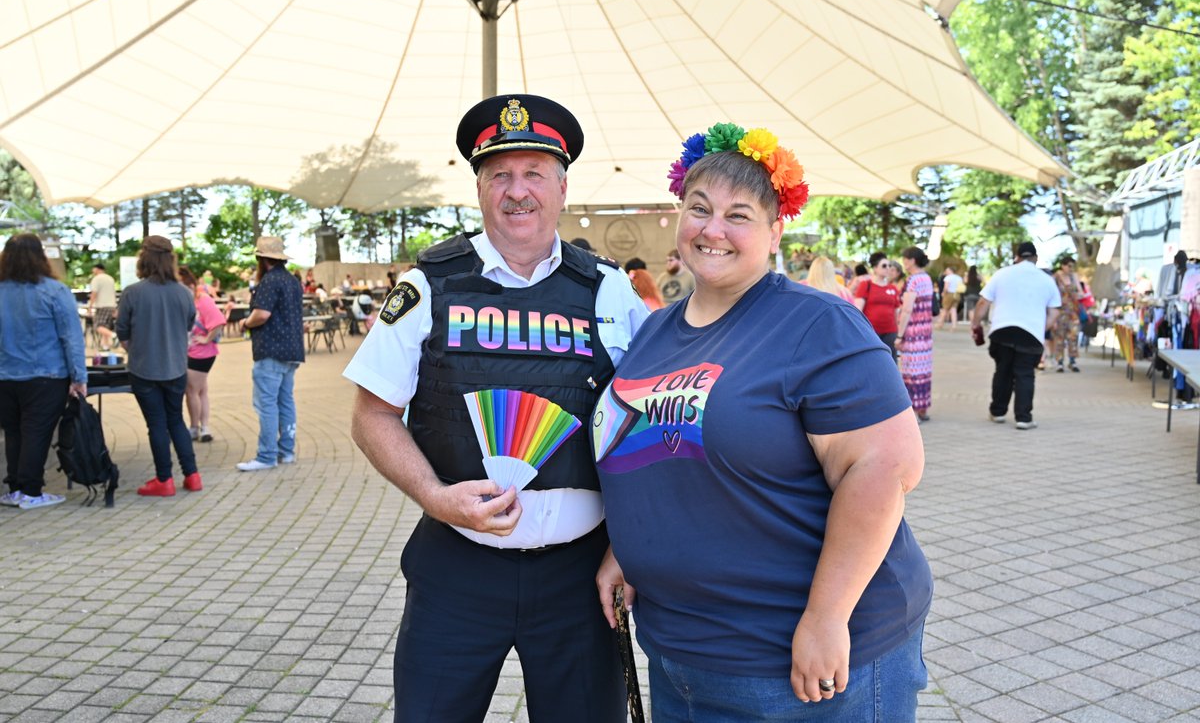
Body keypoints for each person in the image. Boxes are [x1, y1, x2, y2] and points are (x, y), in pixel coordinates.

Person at [595, 126, 931, 720]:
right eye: (699, 209)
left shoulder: (816, 324)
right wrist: (632, 544)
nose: (713, 228)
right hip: (681, 655)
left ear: (776, 231)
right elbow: (660, 446)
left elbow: (886, 466)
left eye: (739, 215)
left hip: (799, 668)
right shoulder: (654, 332)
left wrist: (826, 617)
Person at [344, 94, 648, 723]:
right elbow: (371, 413)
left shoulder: (610, 289)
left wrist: (628, 547)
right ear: (479, 189)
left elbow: (644, 421)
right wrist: (432, 495)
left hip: (580, 577)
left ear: (562, 188)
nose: (518, 192)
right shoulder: (429, 284)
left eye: (534, 173)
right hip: (456, 568)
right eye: (499, 175)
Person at [0, 233, 87, 510]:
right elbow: (71, 338)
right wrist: (79, 377)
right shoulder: (55, 291)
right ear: (41, 257)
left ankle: (15, 488)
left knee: (14, 433)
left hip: (5, 376)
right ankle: (31, 491)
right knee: (37, 432)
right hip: (46, 376)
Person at [116, 236, 202, 496]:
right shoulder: (184, 293)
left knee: (156, 424)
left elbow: (122, 331)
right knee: (176, 419)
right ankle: (192, 475)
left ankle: (164, 479)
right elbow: (188, 326)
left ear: (144, 259)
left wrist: (137, 349)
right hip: (176, 367)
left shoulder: (133, 292)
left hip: (144, 369)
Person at [970, 242, 1061, 430]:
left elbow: (982, 303)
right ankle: (1024, 417)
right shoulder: (1046, 280)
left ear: (1017, 257)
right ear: (1035, 258)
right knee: (1025, 374)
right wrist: (1039, 328)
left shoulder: (1002, 274)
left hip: (1002, 331)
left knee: (1002, 371)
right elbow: (1054, 313)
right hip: (1031, 334)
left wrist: (976, 324)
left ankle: (998, 412)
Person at [238, 236, 305, 471]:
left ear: (261, 258)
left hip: (271, 350)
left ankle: (266, 456)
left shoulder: (269, 281)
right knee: (285, 401)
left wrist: (246, 323)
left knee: (266, 404)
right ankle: (286, 451)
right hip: (292, 350)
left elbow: (262, 314)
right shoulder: (292, 281)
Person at [179, 267, 226, 443]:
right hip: (195, 351)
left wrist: (206, 339)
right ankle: (204, 427)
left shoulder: (202, 300)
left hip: (201, 352)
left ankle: (194, 428)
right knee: (201, 390)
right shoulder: (191, 300)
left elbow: (219, 321)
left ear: (190, 285)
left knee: (191, 390)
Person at [897, 247, 935, 423]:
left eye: (905, 259)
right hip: (926, 333)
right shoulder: (926, 278)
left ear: (912, 260)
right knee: (924, 370)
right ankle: (923, 409)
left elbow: (907, 309)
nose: (904, 262)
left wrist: (899, 334)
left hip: (913, 333)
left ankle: (912, 411)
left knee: (911, 371)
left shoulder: (912, 280)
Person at [854, 252, 902, 356]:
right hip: (871, 332)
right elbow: (858, 309)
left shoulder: (893, 288)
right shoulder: (866, 285)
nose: (888, 268)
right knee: (872, 360)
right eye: (884, 266)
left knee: (890, 362)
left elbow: (896, 312)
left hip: (890, 332)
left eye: (889, 266)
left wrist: (899, 333)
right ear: (875, 268)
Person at [1051, 255, 1083, 373]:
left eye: (1072, 266)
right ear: (1063, 266)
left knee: (1073, 336)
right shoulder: (1056, 277)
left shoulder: (1074, 277)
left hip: (1073, 312)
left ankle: (1072, 361)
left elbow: (1081, 292)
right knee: (1059, 337)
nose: (1071, 268)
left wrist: (1078, 295)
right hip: (1059, 312)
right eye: (1069, 266)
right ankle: (1059, 362)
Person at [88, 263, 118, 350]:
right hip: (111, 305)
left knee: (98, 326)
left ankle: (114, 335)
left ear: (97, 269)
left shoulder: (97, 279)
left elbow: (94, 293)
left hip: (102, 305)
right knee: (106, 326)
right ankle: (105, 346)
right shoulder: (110, 278)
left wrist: (90, 306)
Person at [938, 265, 964, 330]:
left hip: (949, 294)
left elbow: (946, 287)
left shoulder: (948, 277)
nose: (946, 272)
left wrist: (943, 293)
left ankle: (940, 324)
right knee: (953, 309)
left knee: (945, 309)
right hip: (957, 294)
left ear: (950, 271)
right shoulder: (959, 278)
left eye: (947, 270)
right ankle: (954, 325)